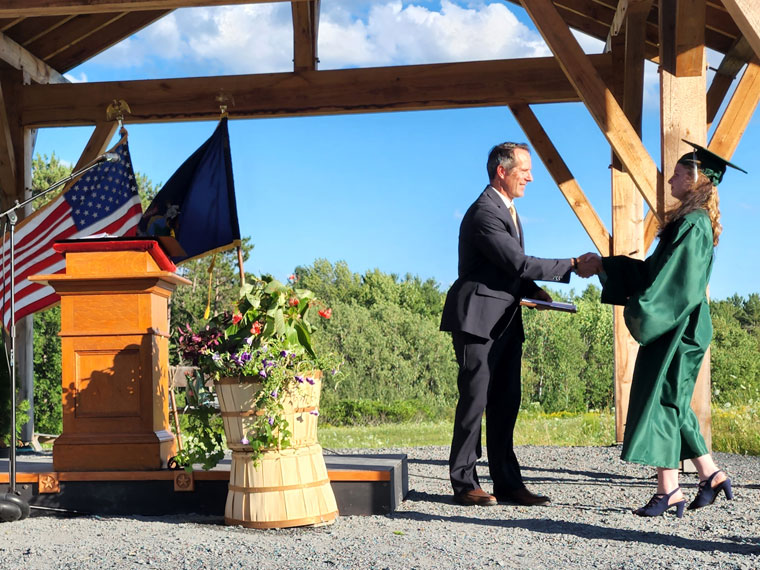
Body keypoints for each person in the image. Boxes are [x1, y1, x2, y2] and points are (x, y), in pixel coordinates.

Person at [578, 141, 744, 517]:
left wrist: (643, 310)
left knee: (662, 400)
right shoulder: (693, 222)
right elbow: (654, 273)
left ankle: (669, 490)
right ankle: (710, 475)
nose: (669, 179)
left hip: (677, 326)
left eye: (676, 174)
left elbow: (674, 285)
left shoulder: (692, 223)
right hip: (679, 323)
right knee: (670, 399)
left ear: (693, 178)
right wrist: (606, 265)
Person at [440, 142, 594, 507]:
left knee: (506, 403)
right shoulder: (484, 212)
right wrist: (572, 263)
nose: (531, 176)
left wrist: (538, 292)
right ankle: (464, 484)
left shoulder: (507, 210)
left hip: (506, 323)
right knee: (475, 403)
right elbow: (518, 262)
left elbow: (511, 272)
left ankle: (508, 483)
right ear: (501, 171)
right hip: (478, 322)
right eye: (524, 169)